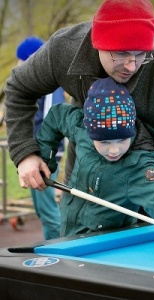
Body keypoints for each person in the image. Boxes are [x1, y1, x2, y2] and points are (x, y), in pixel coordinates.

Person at [4, 0, 154, 262]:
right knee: (81, 233)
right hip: (90, 150)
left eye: (140, 54)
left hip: (151, 160)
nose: (131, 65)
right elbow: (19, 88)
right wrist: (25, 153)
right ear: (98, 44)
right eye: (120, 54)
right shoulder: (63, 49)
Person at [35, 77, 154, 264]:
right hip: (68, 231)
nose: (114, 150)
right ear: (89, 131)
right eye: (105, 142)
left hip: (104, 248)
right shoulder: (81, 128)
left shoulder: (138, 166)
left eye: (122, 140)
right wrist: (44, 160)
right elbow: (56, 116)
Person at [16, 36, 65, 239]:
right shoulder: (33, 84)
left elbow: (51, 119)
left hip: (44, 156)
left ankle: (58, 257)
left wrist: (41, 154)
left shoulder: (49, 84)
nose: (18, 64)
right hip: (34, 154)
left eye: (21, 59)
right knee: (42, 211)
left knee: (49, 214)